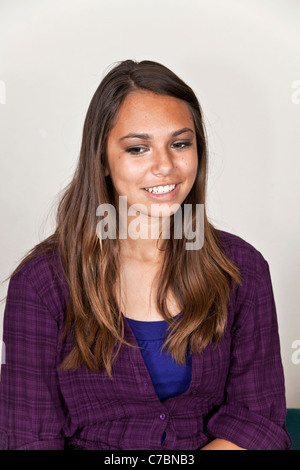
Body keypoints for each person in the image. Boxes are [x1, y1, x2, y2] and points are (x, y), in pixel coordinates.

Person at [0, 59, 292, 450]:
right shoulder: (43, 283)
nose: (165, 166)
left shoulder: (241, 268)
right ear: (102, 160)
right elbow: (29, 439)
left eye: (180, 143)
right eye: (138, 148)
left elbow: (257, 419)